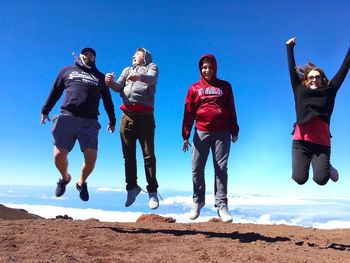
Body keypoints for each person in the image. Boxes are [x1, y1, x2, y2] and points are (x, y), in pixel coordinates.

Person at [41, 47, 116, 202]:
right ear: (80, 56)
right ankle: (65, 178)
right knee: (58, 156)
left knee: (91, 159)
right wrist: (45, 110)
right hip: (67, 117)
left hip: (89, 121)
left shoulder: (100, 77)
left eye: (92, 55)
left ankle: (81, 182)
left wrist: (112, 120)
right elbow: (55, 91)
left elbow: (108, 101)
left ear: (95, 58)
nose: (89, 56)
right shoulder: (67, 70)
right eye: (86, 54)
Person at [182, 54, 239, 223]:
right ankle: (198, 202)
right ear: (201, 69)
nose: (207, 70)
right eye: (204, 67)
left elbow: (231, 109)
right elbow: (188, 112)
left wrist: (234, 130)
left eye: (210, 67)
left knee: (221, 168)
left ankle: (222, 205)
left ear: (215, 68)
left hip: (222, 132)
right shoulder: (194, 88)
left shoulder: (225, 86)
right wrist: (185, 135)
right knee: (197, 167)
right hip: (201, 131)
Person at [286, 37, 350, 186]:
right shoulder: (299, 90)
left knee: (321, 180)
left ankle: (326, 165)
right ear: (306, 79)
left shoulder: (330, 91)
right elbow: (291, 70)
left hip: (321, 143)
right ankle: (314, 162)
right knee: (299, 179)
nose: (314, 79)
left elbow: (344, 68)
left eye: (317, 77)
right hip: (301, 143)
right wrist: (289, 48)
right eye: (310, 77)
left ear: (322, 79)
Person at [105, 48, 159, 209]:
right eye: (133, 55)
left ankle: (153, 192)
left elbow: (152, 78)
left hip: (145, 117)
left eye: (137, 54)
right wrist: (109, 83)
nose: (133, 56)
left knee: (148, 155)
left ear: (145, 57)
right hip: (126, 116)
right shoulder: (127, 70)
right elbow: (117, 87)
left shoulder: (152, 67)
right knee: (128, 155)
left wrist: (139, 76)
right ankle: (132, 188)